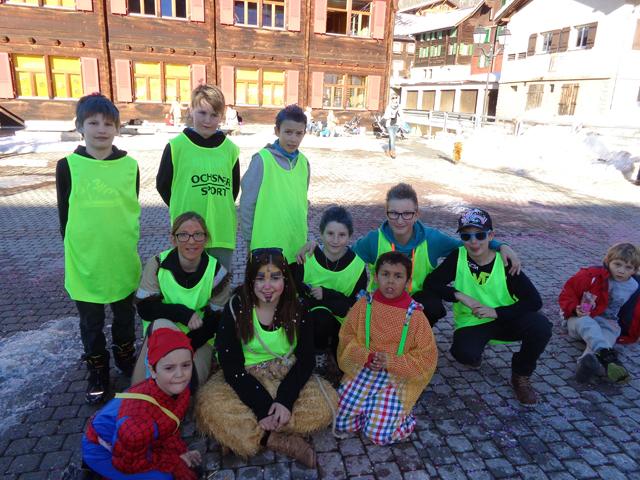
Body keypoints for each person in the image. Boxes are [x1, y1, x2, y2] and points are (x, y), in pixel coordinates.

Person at [300, 183, 520, 327]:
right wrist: (316, 245)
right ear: (386, 213)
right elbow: (342, 252)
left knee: (433, 305)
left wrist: (500, 245)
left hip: (416, 302)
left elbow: (468, 245)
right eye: (394, 213)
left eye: (407, 213)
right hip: (381, 302)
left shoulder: (432, 239)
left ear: (417, 214)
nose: (400, 220)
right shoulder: (374, 240)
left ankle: (417, 338)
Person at [195, 248, 337, 468]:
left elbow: (306, 360)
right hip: (246, 376)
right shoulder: (236, 307)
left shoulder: (299, 307)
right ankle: (274, 438)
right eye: (260, 278)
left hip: (285, 374)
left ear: (285, 279)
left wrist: (285, 400)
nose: (267, 286)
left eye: (275, 278)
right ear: (250, 279)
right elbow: (231, 365)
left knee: (326, 404)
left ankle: (244, 432)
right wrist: (262, 407)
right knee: (208, 404)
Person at [56, 93, 141, 404]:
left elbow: (130, 208)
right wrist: (79, 247)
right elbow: (64, 216)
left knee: (124, 317)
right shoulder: (68, 166)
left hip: (120, 256)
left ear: (117, 128)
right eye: (93, 123)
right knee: (91, 323)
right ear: (80, 126)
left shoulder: (130, 166)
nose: (101, 129)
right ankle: (97, 367)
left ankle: (125, 357)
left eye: (108, 123)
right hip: (86, 261)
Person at [425, 208, 552, 405]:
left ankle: (521, 375)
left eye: (480, 235)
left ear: (491, 236)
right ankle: (476, 353)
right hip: (473, 320)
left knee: (541, 326)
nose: (473, 241)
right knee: (464, 354)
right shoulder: (458, 257)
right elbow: (431, 283)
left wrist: (497, 312)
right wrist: (459, 295)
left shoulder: (505, 262)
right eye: (466, 236)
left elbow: (534, 301)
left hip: (507, 319)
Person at [336, 251, 437, 445]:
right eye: (385, 274)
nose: (390, 281)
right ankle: (371, 410)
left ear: (408, 281)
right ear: (376, 277)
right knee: (341, 423)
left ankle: (402, 419)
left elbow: (426, 358)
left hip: (396, 378)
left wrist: (391, 362)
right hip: (364, 370)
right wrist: (365, 356)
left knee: (378, 435)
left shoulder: (415, 316)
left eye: (398, 276)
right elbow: (347, 336)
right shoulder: (364, 305)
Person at [82, 328, 201, 480]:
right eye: (169, 368)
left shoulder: (179, 390)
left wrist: (180, 452)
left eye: (186, 365)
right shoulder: (137, 421)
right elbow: (127, 464)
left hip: (130, 443)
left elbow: (168, 428)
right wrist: (174, 461)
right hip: (104, 450)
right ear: (153, 370)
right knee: (166, 477)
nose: (180, 374)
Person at [131, 211, 231, 389]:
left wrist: (185, 346)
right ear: (173, 239)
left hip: (198, 337)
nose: (191, 241)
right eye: (183, 235)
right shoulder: (157, 264)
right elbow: (145, 308)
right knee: (148, 384)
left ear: (206, 239)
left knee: (187, 383)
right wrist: (182, 313)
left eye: (198, 234)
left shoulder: (217, 271)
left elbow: (216, 319)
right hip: (162, 331)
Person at [156, 84, 240, 271]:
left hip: (221, 231)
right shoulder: (176, 146)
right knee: (187, 282)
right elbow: (163, 185)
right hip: (188, 234)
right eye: (202, 113)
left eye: (214, 115)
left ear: (221, 116)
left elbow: (233, 190)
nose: (207, 120)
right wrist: (183, 204)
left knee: (219, 283)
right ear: (191, 110)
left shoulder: (230, 149)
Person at [291, 206, 367, 367]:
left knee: (344, 364)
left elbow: (353, 307)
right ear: (321, 233)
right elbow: (298, 295)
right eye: (330, 233)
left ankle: (332, 349)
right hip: (313, 319)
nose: (335, 240)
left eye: (342, 235)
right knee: (320, 317)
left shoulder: (358, 267)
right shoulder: (307, 257)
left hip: (343, 322)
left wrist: (326, 294)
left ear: (350, 236)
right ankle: (318, 352)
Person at [559, 242, 640, 383]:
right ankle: (607, 356)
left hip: (608, 322)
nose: (621, 271)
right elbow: (567, 294)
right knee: (588, 324)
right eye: (617, 264)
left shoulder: (634, 287)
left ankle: (587, 363)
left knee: (609, 335)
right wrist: (574, 309)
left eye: (628, 267)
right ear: (608, 262)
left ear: (635, 270)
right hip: (581, 319)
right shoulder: (592, 276)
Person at [240, 105, 309, 265]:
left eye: (299, 133)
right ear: (277, 131)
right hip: (266, 247)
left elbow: (302, 203)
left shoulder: (304, 163)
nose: (293, 139)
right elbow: (247, 204)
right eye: (288, 132)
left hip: (296, 247)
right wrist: (249, 240)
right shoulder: (262, 160)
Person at [381, 94, 404, 158]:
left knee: (392, 139)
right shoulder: (388, 107)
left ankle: (388, 151)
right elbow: (386, 116)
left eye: (396, 98)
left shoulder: (399, 106)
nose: (394, 99)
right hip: (389, 125)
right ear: (391, 99)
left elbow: (402, 115)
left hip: (396, 124)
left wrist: (401, 123)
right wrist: (391, 115)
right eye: (393, 98)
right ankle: (393, 151)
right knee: (392, 138)